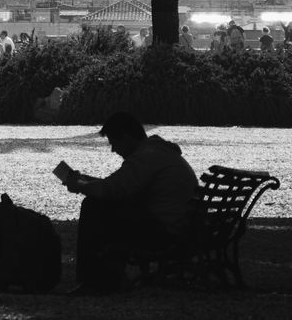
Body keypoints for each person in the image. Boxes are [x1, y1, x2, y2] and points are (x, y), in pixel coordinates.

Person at [58, 112, 199, 295]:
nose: (114, 150)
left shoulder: (145, 158)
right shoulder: (157, 151)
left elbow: (110, 190)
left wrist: (79, 185)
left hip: (164, 231)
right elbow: (121, 186)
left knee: (93, 206)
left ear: (126, 137)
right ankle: (105, 275)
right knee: (101, 203)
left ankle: (94, 279)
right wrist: (87, 181)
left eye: (114, 143)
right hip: (177, 224)